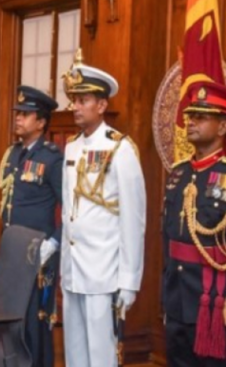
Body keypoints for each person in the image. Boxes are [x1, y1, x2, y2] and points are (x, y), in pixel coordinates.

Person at [161, 81, 226, 366]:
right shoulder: (178, 175)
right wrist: (166, 301)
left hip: (216, 308)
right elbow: (168, 244)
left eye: (201, 117)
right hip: (177, 303)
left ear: (223, 127)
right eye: (190, 116)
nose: (190, 122)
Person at [60, 55, 146, 367]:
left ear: (101, 105)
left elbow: (133, 220)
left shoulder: (119, 149)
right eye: (74, 100)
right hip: (73, 269)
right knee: (74, 354)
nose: (75, 107)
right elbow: (68, 212)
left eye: (83, 100)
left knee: (101, 356)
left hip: (103, 271)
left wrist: (129, 280)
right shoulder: (71, 147)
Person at [0, 85, 62, 367]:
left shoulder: (51, 158)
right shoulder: (13, 154)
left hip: (38, 253)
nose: (18, 118)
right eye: (18, 113)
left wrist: (54, 243)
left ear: (41, 122)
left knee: (35, 322)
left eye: (25, 114)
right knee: (12, 319)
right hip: (13, 251)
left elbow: (72, 210)